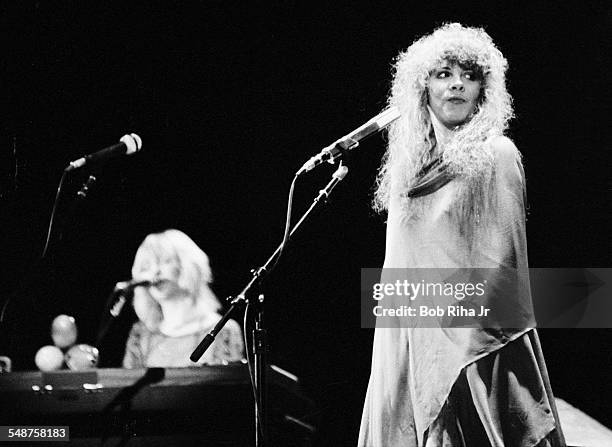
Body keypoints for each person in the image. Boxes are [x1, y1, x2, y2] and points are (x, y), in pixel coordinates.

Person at [359, 24, 565, 446]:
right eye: (443, 73)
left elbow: (503, 265)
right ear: (422, 87)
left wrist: (462, 348)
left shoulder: (497, 155)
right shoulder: (406, 171)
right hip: (409, 342)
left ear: (483, 91)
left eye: (469, 75)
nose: (456, 84)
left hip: (474, 347)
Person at [122, 229, 244, 368]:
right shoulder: (141, 334)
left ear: (187, 265)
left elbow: (228, 387)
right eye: (146, 266)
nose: (155, 272)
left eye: (165, 261)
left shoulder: (223, 330)